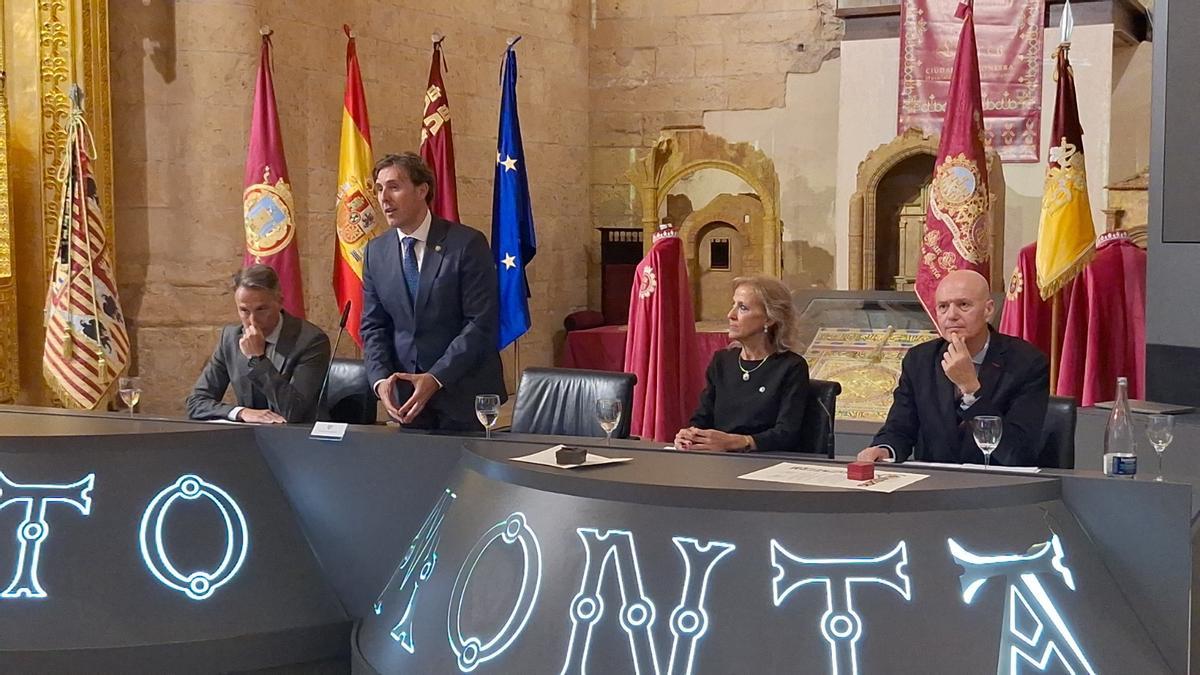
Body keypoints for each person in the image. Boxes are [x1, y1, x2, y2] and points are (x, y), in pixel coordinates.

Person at [360, 152, 505, 430]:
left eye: (394, 187)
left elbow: (480, 323)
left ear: (422, 190)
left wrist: (436, 377)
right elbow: (373, 326)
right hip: (407, 402)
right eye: (379, 189)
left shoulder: (466, 244)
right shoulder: (376, 252)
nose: (383, 198)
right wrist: (380, 382)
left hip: (464, 395)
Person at [857, 269, 1049, 465]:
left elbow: (1018, 453)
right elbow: (899, 429)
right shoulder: (919, 360)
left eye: (963, 305)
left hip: (997, 486)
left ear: (988, 310)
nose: (951, 316)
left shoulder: (1027, 362)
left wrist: (971, 390)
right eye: (943, 307)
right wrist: (884, 449)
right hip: (933, 486)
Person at [674, 275, 810, 453]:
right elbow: (702, 418)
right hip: (717, 463)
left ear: (769, 319)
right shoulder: (722, 361)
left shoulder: (791, 367)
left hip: (766, 463)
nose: (730, 315)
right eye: (733, 305)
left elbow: (786, 433)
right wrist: (690, 435)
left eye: (743, 308)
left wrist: (738, 442)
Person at [186, 264, 331, 424]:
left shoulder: (311, 341)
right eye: (244, 311)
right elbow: (196, 403)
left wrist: (258, 359)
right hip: (249, 439)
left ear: (280, 302)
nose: (252, 320)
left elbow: (293, 412)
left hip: (297, 439)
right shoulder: (230, 338)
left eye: (261, 309)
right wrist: (241, 412)